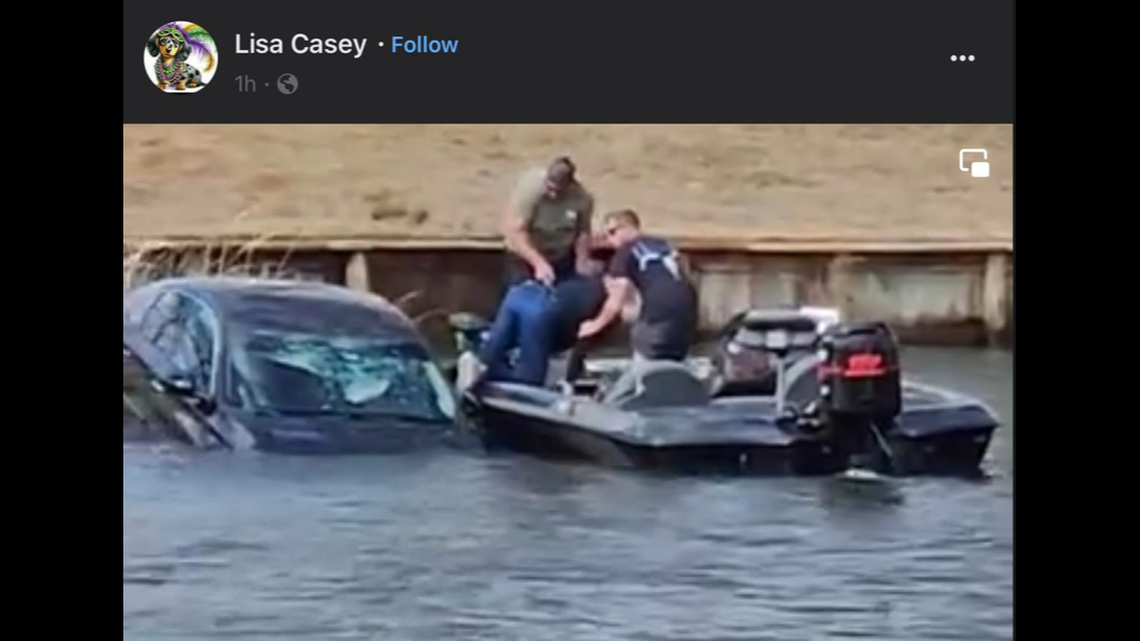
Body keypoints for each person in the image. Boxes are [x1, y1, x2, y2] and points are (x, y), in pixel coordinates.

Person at [578, 209, 697, 364]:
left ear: (627, 228)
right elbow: (684, 272)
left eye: (611, 232)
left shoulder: (626, 252)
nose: (610, 239)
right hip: (688, 311)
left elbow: (616, 300)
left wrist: (595, 325)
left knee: (645, 365)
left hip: (658, 313)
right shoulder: (664, 244)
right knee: (674, 366)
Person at [502, 156, 595, 286]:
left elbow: (583, 232)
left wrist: (582, 260)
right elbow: (516, 231)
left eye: (558, 190)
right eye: (550, 189)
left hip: (560, 255)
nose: (553, 194)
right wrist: (538, 263)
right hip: (526, 255)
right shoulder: (530, 192)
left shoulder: (581, 198)